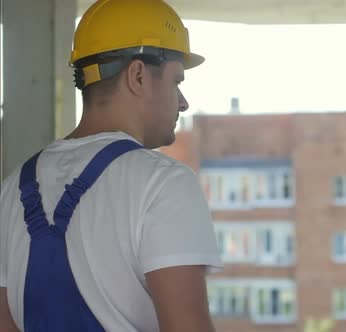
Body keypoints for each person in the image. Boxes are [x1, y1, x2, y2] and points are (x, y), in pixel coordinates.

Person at [0, 0, 222, 331]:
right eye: (176, 81)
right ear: (138, 75)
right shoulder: (163, 184)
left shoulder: (10, 191)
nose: (183, 101)